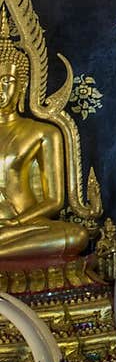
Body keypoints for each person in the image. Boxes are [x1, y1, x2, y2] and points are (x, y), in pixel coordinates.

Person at [0, 16, 88, 262]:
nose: (0, 89)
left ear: (22, 85)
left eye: (7, 81)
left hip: (26, 226)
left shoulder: (43, 132)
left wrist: (16, 222)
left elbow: (54, 200)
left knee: (76, 235)